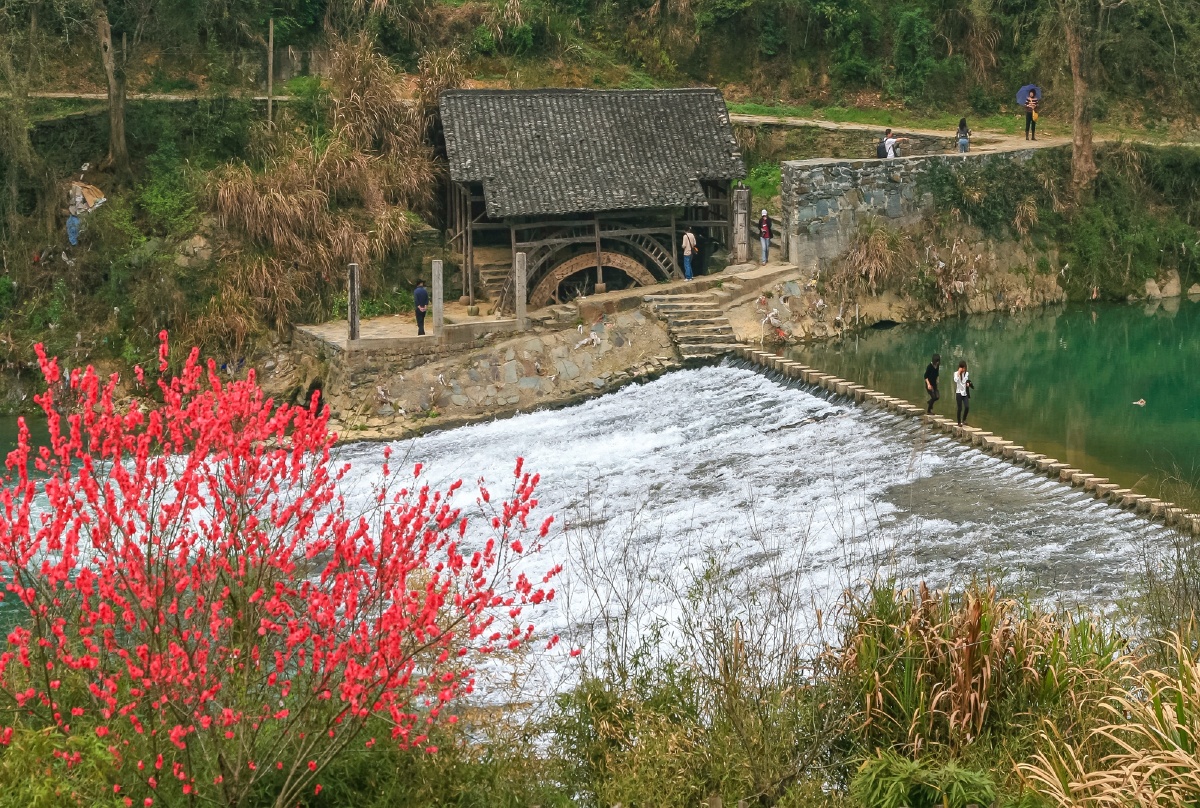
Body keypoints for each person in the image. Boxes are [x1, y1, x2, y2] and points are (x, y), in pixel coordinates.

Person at [954, 360, 973, 425]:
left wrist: (968, 384)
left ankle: (964, 419)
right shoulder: (956, 373)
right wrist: (959, 373)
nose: (964, 369)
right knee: (960, 408)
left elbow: (966, 381)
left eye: (964, 368)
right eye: (962, 368)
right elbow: (955, 380)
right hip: (958, 393)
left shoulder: (966, 373)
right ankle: (959, 422)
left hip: (965, 393)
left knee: (967, 407)